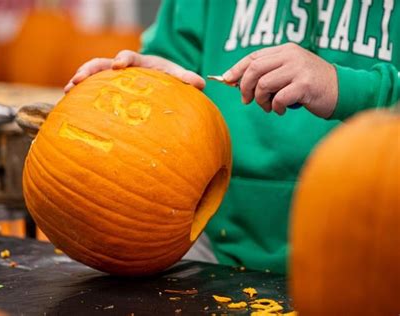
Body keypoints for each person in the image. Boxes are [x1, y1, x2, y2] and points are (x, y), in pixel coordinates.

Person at [65, 0, 400, 274]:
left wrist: (346, 87)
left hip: (371, 262)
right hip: (207, 247)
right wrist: (153, 88)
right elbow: (179, 63)